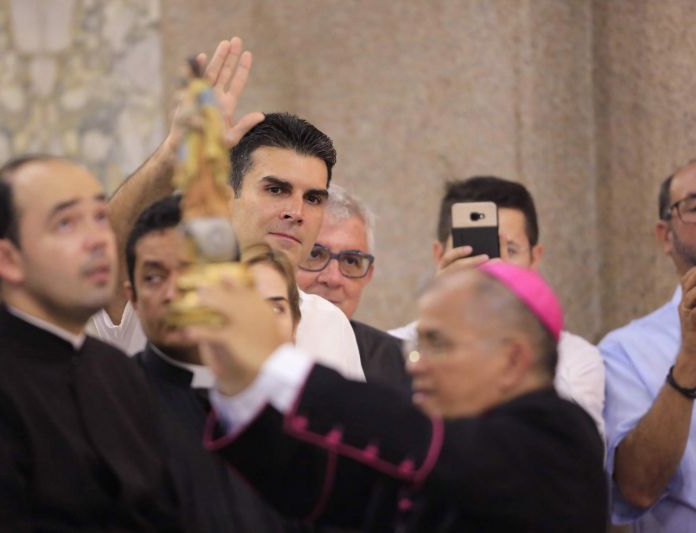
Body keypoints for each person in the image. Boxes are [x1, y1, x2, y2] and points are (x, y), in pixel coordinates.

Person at [186, 262, 606, 532]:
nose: (416, 364)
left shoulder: (559, 434)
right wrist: (238, 379)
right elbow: (317, 489)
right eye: (417, 344)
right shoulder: (440, 454)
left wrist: (271, 360)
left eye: (438, 343)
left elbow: (417, 441)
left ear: (512, 360)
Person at [0, 155, 178, 531]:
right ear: (7, 259)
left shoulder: (118, 370)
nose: (100, 240)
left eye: (101, 217)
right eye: (66, 223)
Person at [91, 37, 364, 380]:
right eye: (276, 189)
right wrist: (172, 155)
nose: (297, 211)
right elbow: (108, 243)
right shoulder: (162, 291)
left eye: (313, 198)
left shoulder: (329, 325)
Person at [126, 195, 315, 532]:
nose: (173, 292)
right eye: (153, 278)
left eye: (190, 271)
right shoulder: (114, 401)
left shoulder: (286, 404)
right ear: (134, 298)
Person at [389, 176, 605, 433]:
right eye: (472, 250)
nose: (492, 268)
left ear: (535, 258)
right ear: (439, 256)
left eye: (510, 251)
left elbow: (569, 452)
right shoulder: (393, 347)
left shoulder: (576, 358)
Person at [600, 161, 696, 530]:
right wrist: (689, 360)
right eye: (695, 206)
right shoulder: (625, 351)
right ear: (664, 236)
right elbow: (636, 490)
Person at [296, 185, 409, 393]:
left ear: (368, 275)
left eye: (351, 260)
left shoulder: (400, 364)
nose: (333, 278)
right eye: (314, 255)